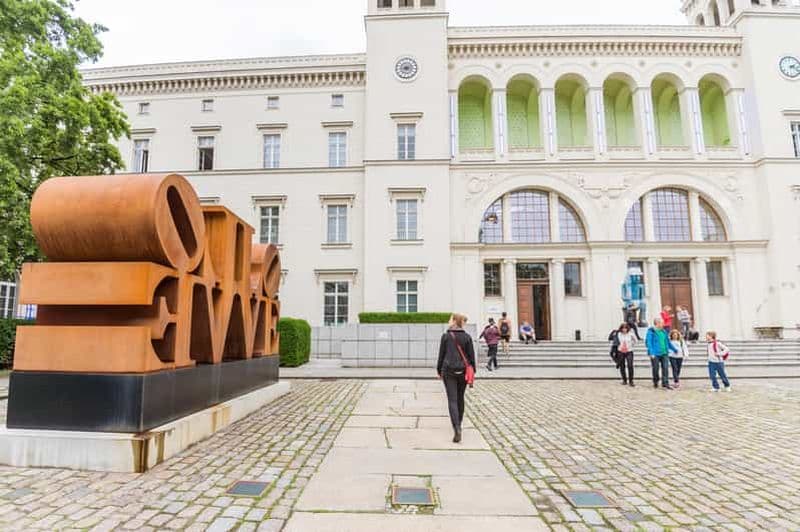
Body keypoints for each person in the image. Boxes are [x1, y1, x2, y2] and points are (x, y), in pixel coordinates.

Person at [437, 313, 477, 442]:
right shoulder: (467, 337)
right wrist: (472, 372)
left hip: (449, 371)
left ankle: (456, 427)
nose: (448, 321)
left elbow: (441, 355)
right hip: (463, 371)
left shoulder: (446, 336)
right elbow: (471, 357)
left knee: (452, 400)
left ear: (454, 321)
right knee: (460, 398)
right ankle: (459, 423)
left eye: (450, 319)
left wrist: (439, 370)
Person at [645, 318, 678, 389]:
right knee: (656, 368)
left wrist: (674, 349)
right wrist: (651, 353)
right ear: (657, 323)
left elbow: (668, 342)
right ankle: (656, 381)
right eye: (662, 323)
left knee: (665, 368)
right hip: (655, 354)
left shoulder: (664, 332)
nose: (663, 324)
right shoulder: (651, 332)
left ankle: (665, 383)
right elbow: (649, 343)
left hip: (664, 353)